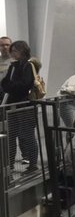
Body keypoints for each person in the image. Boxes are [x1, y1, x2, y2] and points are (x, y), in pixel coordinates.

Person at [0, 40, 41, 171]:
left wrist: (9, 87)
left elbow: (25, 85)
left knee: (27, 135)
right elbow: (6, 83)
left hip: (25, 105)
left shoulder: (28, 65)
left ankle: (33, 164)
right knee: (11, 136)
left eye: (14, 50)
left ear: (21, 51)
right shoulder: (14, 66)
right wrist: (9, 86)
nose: (11, 53)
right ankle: (9, 164)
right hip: (13, 106)